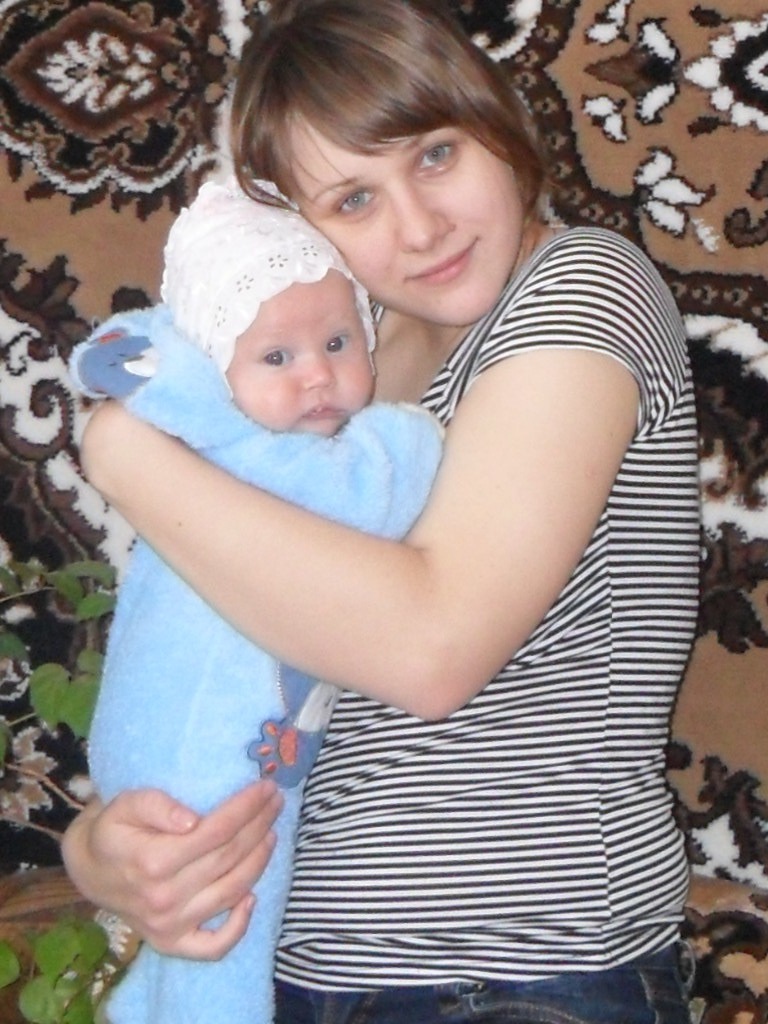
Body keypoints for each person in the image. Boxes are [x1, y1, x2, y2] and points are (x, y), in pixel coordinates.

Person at [63, 1, 702, 1021]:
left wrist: (122, 452)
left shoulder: (583, 286)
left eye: (436, 154)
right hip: (288, 973)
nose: (419, 226)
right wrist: (102, 849)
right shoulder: (329, 375)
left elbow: (432, 647)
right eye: (353, 198)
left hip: (518, 972)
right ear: (292, 228)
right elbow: (207, 659)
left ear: (500, 125)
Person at [68, 177, 443, 1024]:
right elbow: (368, 492)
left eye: (338, 343)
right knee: (223, 943)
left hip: (175, 763)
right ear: (214, 373)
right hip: (224, 778)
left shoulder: (184, 455)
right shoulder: (260, 457)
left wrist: (120, 439)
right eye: (276, 359)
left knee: (193, 946)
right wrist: (406, 437)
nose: (317, 376)